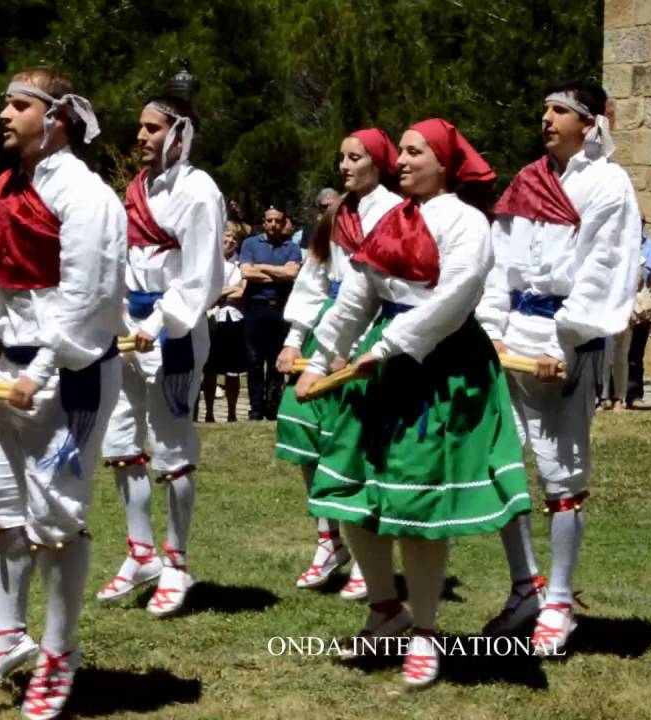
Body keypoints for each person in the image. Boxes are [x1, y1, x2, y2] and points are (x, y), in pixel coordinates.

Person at [295, 118, 530, 687]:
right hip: (384, 362)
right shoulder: (392, 220)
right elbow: (357, 292)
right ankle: (385, 610)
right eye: (398, 151)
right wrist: (322, 357)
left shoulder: (466, 222)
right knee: (349, 485)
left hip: (440, 366)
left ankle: (424, 631)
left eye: (413, 151)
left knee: (418, 504)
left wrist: (395, 346)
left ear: (444, 162)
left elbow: (457, 296)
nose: (400, 160)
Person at [0, 67, 124, 720]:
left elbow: (88, 298)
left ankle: (59, 649)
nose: (4, 115)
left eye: (18, 105)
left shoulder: (87, 196)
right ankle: (9, 634)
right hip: (6, 379)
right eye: (4, 105)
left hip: (69, 379)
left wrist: (39, 370)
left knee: (54, 517)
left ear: (58, 117)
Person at [477, 79, 641, 655]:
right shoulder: (528, 180)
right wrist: (492, 329)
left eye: (559, 110)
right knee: (502, 467)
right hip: (512, 338)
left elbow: (602, 269)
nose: (545, 118)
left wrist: (563, 341)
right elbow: (500, 264)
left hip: (561, 343)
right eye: (544, 108)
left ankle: (562, 600)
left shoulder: (608, 184)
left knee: (561, 477)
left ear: (590, 122)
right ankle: (526, 587)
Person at [96, 94, 224, 617]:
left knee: (170, 445)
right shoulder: (136, 191)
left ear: (180, 134)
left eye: (153, 129)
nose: (142, 137)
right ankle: (140, 552)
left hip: (173, 334)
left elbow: (201, 277)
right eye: (140, 129)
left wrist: (155, 323)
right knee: (121, 441)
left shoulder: (198, 192)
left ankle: (177, 562)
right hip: (129, 333)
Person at [275, 129, 403, 598]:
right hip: (326, 329)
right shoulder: (336, 214)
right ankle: (329, 540)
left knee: (357, 442)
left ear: (378, 162)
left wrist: (365, 340)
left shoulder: (394, 212)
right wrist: (293, 339)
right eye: (342, 158)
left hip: (372, 330)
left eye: (356, 158)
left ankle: (370, 551)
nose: (345, 166)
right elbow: (314, 278)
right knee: (301, 424)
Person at [239, 207, 301, 420]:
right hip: (256, 307)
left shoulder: (291, 247)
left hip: (281, 309)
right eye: (269, 221)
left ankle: (273, 408)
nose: (273, 224)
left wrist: (261, 267)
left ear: (284, 223)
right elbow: (246, 271)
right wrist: (278, 273)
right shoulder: (250, 244)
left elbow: (292, 273)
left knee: (277, 362)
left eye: (278, 221)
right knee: (254, 361)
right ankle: (255, 409)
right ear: (263, 223)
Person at [202, 223, 246, 422]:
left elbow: (241, 292)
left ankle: (231, 413)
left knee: (233, 371)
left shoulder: (241, 264)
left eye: (234, 239)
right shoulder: (208, 262)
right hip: (212, 319)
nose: (229, 242)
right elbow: (206, 293)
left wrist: (220, 292)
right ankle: (209, 413)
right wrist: (227, 290)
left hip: (234, 318)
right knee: (210, 369)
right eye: (226, 238)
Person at [626, 220, 651, 406]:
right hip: (619, 308)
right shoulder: (616, 242)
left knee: (635, 354)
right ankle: (608, 396)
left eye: (639, 222)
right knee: (612, 355)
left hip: (642, 309)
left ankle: (633, 395)